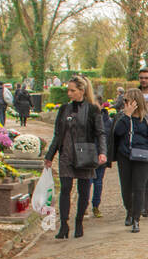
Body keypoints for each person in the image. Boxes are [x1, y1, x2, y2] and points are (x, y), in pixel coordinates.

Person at [44, 75, 107, 239]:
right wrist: (50, 155)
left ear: (82, 91)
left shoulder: (93, 109)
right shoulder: (64, 109)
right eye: (68, 90)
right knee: (65, 189)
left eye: (72, 90)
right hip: (66, 154)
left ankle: (79, 222)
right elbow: (57, 134)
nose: (69, 93)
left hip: (85, 153)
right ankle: (64, 224)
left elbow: (100, 133)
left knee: (84, 190)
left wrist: (102, 152)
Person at [111, 89, 148, 232]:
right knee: (126, 187)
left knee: (139, 188)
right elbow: (116, 132)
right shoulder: (122, 117)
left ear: (136, 102)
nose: (124, 103)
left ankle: (136, 218)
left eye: (126, 101)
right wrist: (127, 116)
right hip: (125, 156)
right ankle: (129, 211)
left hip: (143, 157)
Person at [91, 100, 114, 218]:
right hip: (88, 154)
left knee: (98, 182)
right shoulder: (88, 118)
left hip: (102, 155)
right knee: (87, 181)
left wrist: (106, 154)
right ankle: (84, 205)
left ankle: (96, 206)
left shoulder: (108, 121)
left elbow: (109, 139)